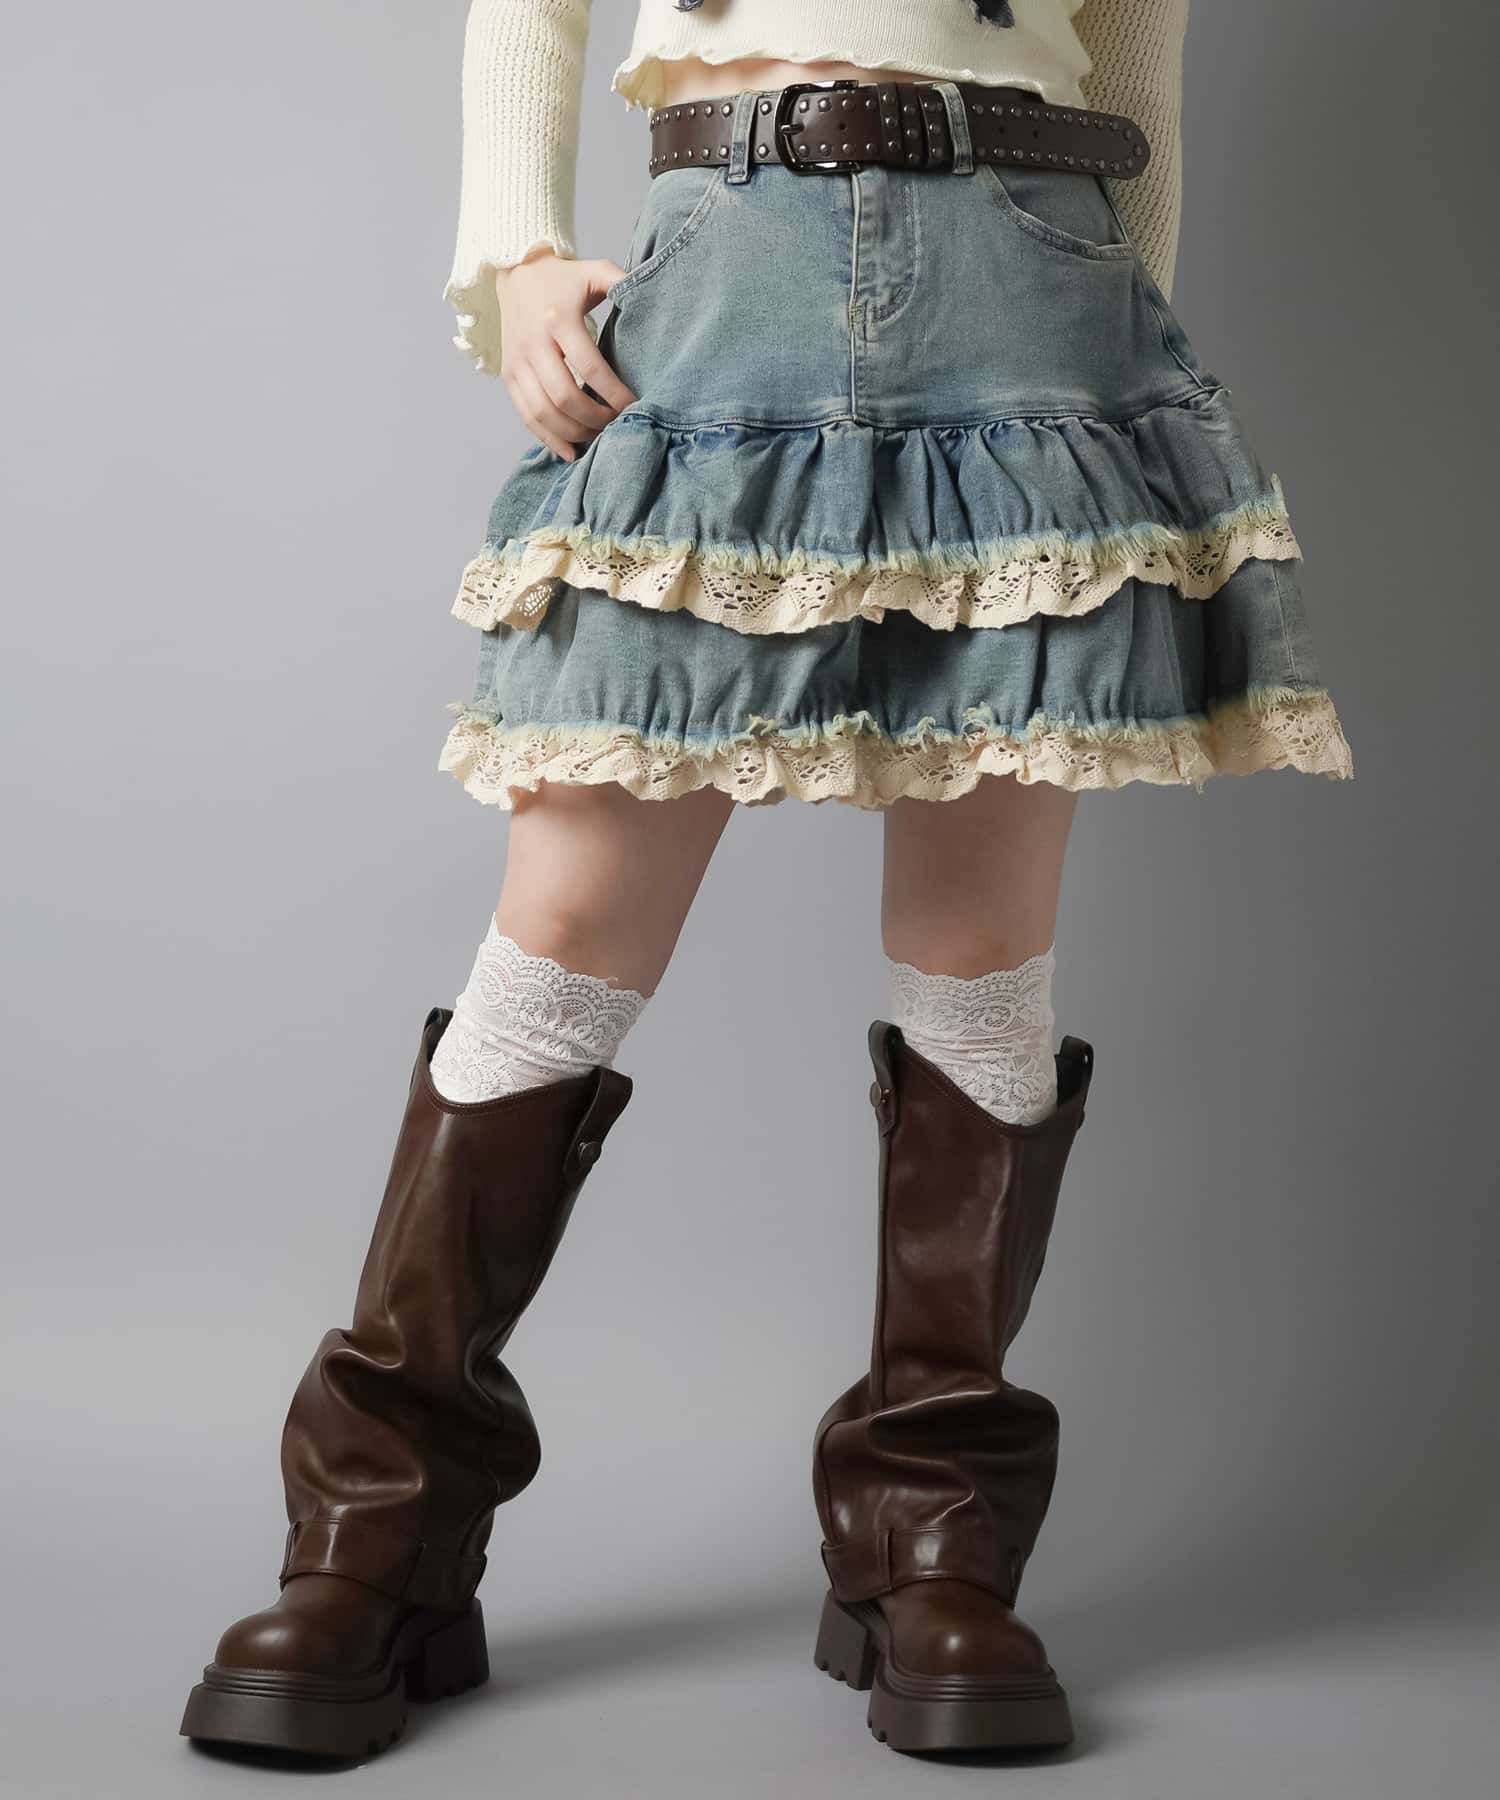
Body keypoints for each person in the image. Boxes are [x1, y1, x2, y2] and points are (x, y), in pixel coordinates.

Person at [180, 0, 1353, 1764]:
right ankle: (377, 1535)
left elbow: (1131, 65)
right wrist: (514, 252)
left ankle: (930, 1547)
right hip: (725, 263)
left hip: (1031, 281)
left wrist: (1123, 336)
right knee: (566, 925)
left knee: (983, 945)